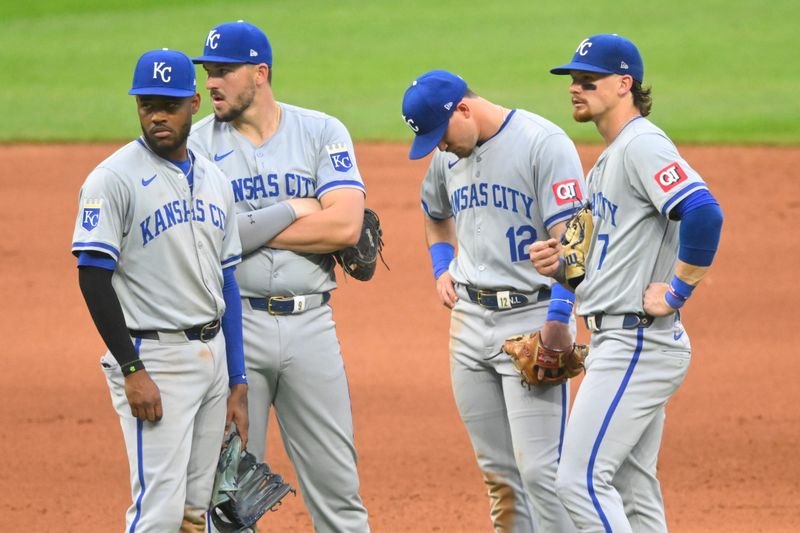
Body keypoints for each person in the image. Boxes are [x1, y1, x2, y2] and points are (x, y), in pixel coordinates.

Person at [532, 34, 724, 532]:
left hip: (637, 342)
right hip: (618, 338)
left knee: (578, 480)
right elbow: (588, 255)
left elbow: (704, 212)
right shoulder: (608, 161)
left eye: (588, 79)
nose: (576, 88)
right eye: (573, 79)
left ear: (624, 84)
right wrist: (560, 265)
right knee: (632, 490)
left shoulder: (642, 144)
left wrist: (678, 291)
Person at [188, 21, 370, 532]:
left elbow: (346, 224)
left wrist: (249, 228)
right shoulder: (196, 147)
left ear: (260, 73)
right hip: (233, 329)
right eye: (209, 72)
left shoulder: (321, 131)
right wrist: (294, 207)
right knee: (229, 501)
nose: (211, 84)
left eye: (224, 71)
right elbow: (208, 238)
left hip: (312, 328)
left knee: (339, 494)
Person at [72, 49, 249, 532]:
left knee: (199, 511)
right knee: (159, 512)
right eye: (147, 104)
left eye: (168, 105)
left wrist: (237, 378)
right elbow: (92, 276)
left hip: (212, 357)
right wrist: (132, 369)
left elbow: (227, 279)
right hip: (155, 358)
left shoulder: (215, 179)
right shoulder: (112, 179)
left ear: (194, 103)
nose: (157, 115)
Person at [401, 69, 585, 532]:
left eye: (439, 135)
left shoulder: (543, 144)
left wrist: (560, 318)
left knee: (542, 472)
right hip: (468, 321)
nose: (438, 147)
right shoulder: (447, 156)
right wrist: (442, 266)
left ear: (463, 108)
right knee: (499, 476)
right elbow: (434, 213)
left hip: (533, 316)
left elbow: (575, 243)